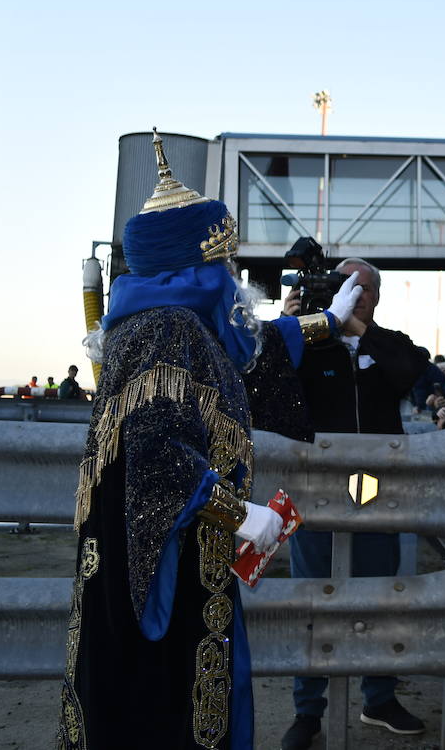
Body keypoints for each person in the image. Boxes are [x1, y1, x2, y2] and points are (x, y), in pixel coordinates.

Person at [57, 136, 355, 749]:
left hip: (175, 551)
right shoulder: (167, 328)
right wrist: (240, 514)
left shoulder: (167, 319)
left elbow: (246, 353)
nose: (230, 278)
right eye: (220, 265)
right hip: (165, 563)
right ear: (190, 269)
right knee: (167, 705)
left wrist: (326, 320)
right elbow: (154, 457)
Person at [280, 255, 428, 749]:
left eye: (361, 288)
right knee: (313, 599)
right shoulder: (308, 340)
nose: (350, 294)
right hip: (316, 487)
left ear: (377, 296)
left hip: (376, 489)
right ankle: (308, 711)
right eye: (341, 286)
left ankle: (378, 697)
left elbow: (412, 372)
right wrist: (293, 324)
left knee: (380, 594)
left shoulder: (390, 344)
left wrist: (361, 329)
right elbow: (270, 381)